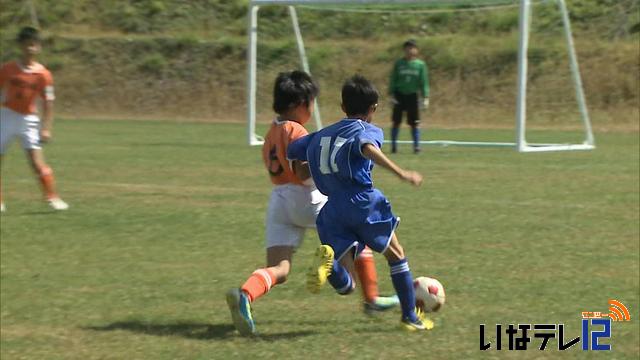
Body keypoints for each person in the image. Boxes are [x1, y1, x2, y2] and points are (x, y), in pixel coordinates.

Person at [226, 71, 398, 336]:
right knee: (357, 230)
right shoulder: (296, 130)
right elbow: (302, 173)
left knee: (280, 269)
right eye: (312, 103)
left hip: (279, 202)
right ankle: (371, 299)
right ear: (301, 104)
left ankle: (246, 295)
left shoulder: (272, 131)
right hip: (306, 198)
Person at [288, 75, 433, 331]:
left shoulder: (320, 135)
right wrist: (402, 173)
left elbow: (298, 165)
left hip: (331, 210)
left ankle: (331, 267)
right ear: (373, 109)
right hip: (362, 202)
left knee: (348, 285)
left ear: (343, 107)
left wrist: (312, 164)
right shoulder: (367, 130)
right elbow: (367, 147)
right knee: (396, 255)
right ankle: (410, 318)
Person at [0, 26, 68, 212]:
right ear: (20, 46)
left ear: (38, 47)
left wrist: (46, 128)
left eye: (33, 45)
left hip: (28, 120)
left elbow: (49, 103)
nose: (30, 48)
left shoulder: (43, 75)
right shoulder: (7, 69)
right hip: (6, 116)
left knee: (37, 162)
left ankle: (52, 198)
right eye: (26, 44)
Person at [389, 39, 429, 154]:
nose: (410, 50)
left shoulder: (420, 65)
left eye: (412, 48)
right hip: (399, 95)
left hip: (412, 96)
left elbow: (424, 81)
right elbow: (393, 79)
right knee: (396, 121)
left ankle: (416, 147)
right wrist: (391, 94)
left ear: (416, 50)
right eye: (407, 48)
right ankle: (394, 147)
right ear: (404, 50)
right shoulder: (399, 64)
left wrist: (425, 97)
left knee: (415, 122)